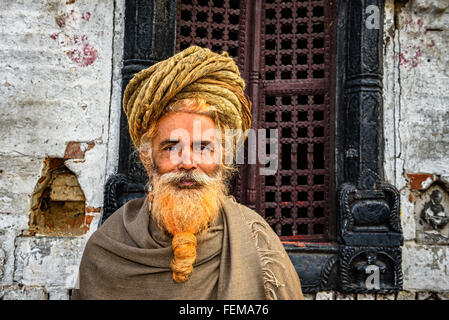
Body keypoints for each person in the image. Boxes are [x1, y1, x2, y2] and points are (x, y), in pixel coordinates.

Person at [71, 46, 304, 300]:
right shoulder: (108, 248)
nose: (188, 162)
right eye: (172, 147)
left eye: (203, 148)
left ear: (223, 158)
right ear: (148, 160)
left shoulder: (257, 242)